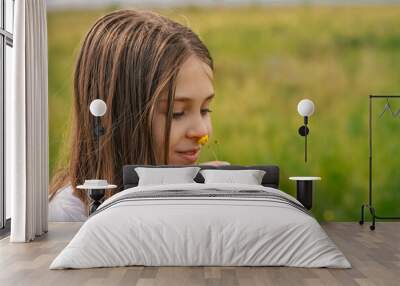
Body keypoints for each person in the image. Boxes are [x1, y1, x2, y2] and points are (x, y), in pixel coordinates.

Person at [48, 9, 229, 222]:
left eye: (205, 110)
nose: (202, 132)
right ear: (119, 116)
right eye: (176, 113)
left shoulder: (183, 192)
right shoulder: (70, 217)